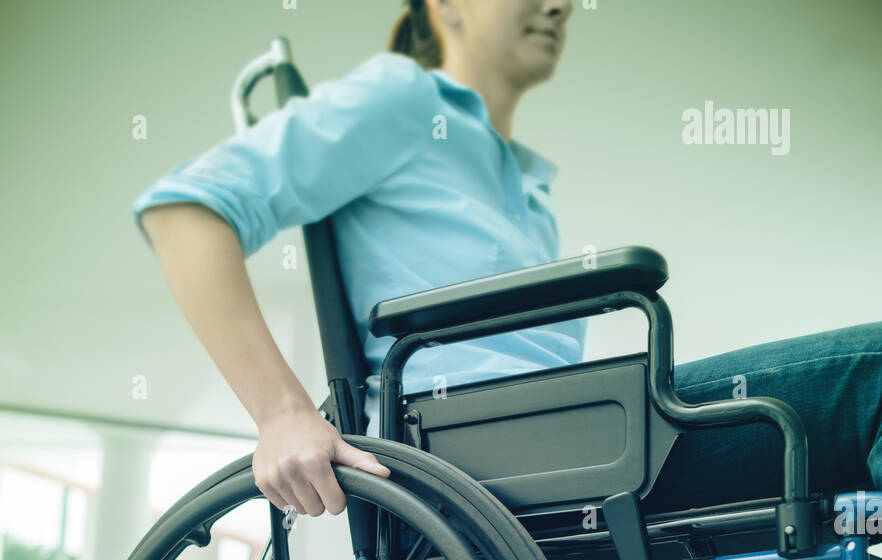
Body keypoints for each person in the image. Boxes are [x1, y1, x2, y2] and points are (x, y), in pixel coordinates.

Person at [133, 0, 882, 520]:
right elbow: (184, 212)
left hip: (558, 436)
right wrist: (284, 415)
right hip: (489, 451)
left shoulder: (528, 185)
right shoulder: (400, 96)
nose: (560, 8)